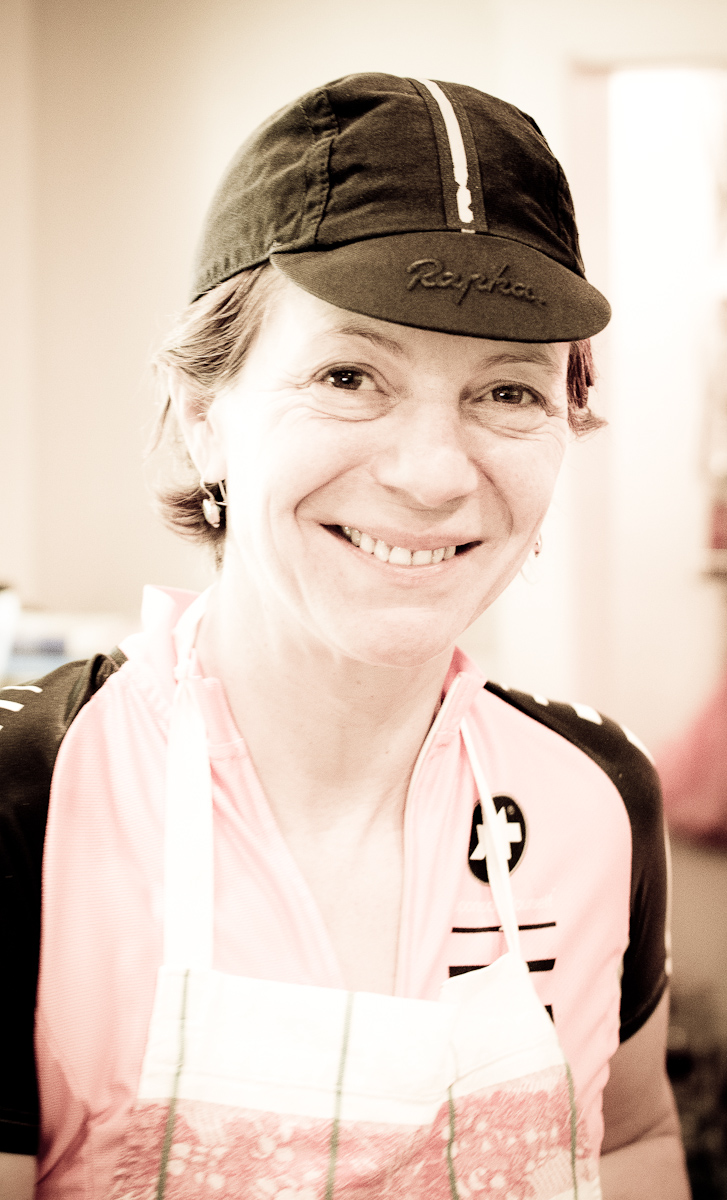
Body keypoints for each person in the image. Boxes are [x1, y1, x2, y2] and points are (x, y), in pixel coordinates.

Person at [0, 73, 689, 1199]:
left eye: (508, 392)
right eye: (348, 375)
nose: (433, 475)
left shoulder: (599, 794)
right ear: (203, 415)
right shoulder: (31, 792)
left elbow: (629, 1140)